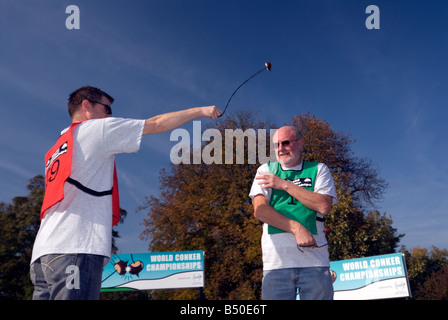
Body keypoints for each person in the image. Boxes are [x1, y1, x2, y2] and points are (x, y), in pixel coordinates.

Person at [30, 86, 221, 300]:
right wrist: (200, 111)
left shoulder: (58, 146)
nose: (110, 116)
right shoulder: (95, 129)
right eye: (107, 109)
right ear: (86, 106)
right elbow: (155, 123)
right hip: (75, 247)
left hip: (43, 254)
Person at [249, 125, 337, 300]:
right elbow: (260, 211)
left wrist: (285, 185)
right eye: (277, 145)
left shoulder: (319, 169)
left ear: (300, 143)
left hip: (315, 263)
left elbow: (323, 205)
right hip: (276, 264)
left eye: (286, 143)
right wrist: (296, 228)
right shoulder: (265, 170)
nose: (281, 148)